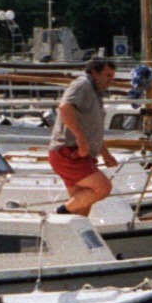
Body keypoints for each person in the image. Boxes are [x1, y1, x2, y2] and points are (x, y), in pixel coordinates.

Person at [47, 58, 119, 215]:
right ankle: (60, 213)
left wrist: (106, 155)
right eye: (107, 76)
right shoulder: (82, 85)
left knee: (82, 210)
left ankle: (67, 234)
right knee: (103, 187)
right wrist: (80, 138)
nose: (110, 81)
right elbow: (65, 107)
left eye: (112, 77)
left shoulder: (95, 93)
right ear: (94, 73)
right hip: (68, 152)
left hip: (81, 154)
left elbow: (93, 130)